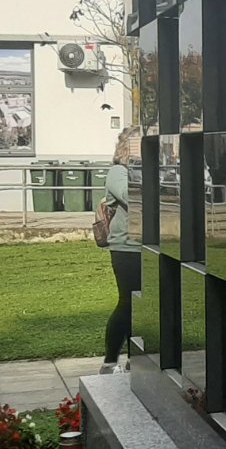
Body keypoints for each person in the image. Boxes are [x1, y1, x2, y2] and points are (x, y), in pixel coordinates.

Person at [101, 126, 143, 374]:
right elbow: (130, 195)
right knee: (127, 303)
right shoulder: (118, 171)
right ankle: (109, 362)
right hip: (126, 247)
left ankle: (135, 359)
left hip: (148, 246)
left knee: (145, 306)